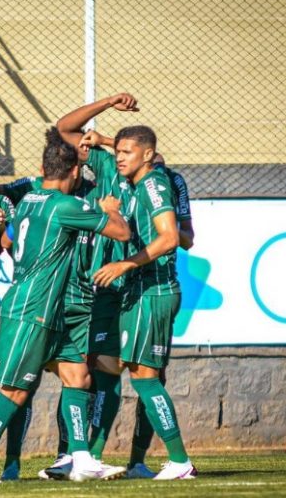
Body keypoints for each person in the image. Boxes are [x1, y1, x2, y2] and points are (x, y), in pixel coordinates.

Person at [0, 128, 131, 484]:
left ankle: (81, 458)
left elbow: (6, 239)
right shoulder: (66, 205)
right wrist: (111, 210)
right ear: (72, 173)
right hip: (31, 309)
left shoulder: (29, 201)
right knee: (15, 391)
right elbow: (122, 233)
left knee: (77, 375)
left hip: (50, 310)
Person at [92, 125, 197, 480]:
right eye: (117, 151)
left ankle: (180, 460)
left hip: (153, 290)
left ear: (148, 155)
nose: (119, 157)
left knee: (145, 378)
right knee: (123, 370)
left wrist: (127, 263)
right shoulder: (140, 185)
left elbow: (171, 238)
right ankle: (108, 458)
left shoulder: (153, 185)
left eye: (127, 151)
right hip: (142, 292)